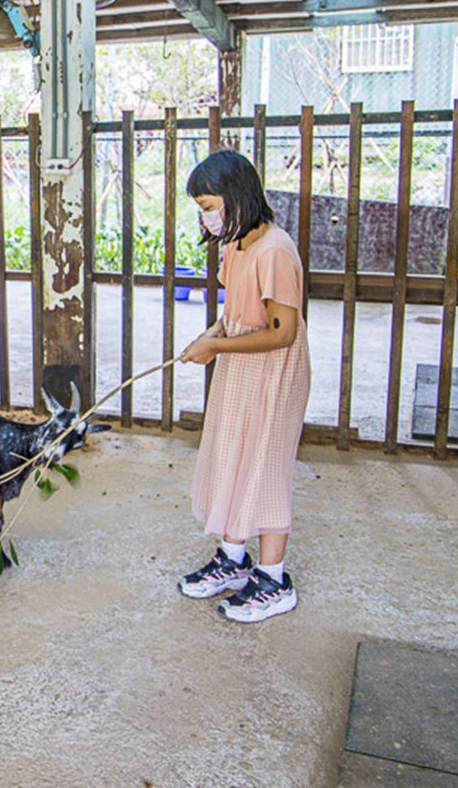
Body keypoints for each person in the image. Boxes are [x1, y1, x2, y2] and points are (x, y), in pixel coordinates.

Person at [177, 150, 311, 623]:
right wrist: (211, 335)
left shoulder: (274, 250)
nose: (206, 217)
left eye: (210, 205)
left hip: (273, 372)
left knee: (265, 467)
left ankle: (274, 580)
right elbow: (235, 311)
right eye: (201, 208)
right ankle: (234, 562)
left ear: (236, 198)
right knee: (232, 456)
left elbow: (283, 332)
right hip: (240, 363)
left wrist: (218, 348)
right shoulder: (236, 245)